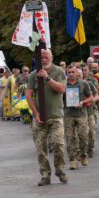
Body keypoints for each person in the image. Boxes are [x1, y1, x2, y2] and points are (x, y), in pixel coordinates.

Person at [26, 49, 68, 186]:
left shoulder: (59, 71)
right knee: (40, 148)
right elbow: (28, 94)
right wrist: (35, 113)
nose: (43, 59)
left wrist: (47, 78)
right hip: (40, 118)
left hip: (56, 115)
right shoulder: (33, 74)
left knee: (58, 144)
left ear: (51, 57)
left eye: (46, 57)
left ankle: (60, 170)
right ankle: (45, 175)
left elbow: (62, 89)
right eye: (41, 57)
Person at [64, 65, 93, 170]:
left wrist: (82, 102)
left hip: (81, 113)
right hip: (68, 114)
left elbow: (91, 97)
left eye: (73, 72)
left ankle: (83, 154)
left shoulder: (83, 83)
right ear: (67, 73)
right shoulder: (64, 84)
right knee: (70, 138)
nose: (71, 74)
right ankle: (73, 160)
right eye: (69, 72)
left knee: (84, 136)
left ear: (76, 73)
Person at [82, 64, 99, 158]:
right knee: (81, 132)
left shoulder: (92, 81)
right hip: (79, 111)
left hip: (90, 110)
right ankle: (81, 149)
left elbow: (97, 96)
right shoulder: (74, 82)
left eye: (85, 70)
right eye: (82, 70)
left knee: (91, 131)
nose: (83, 72)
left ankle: (90, 148)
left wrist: (91, 100)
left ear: (88, 71)